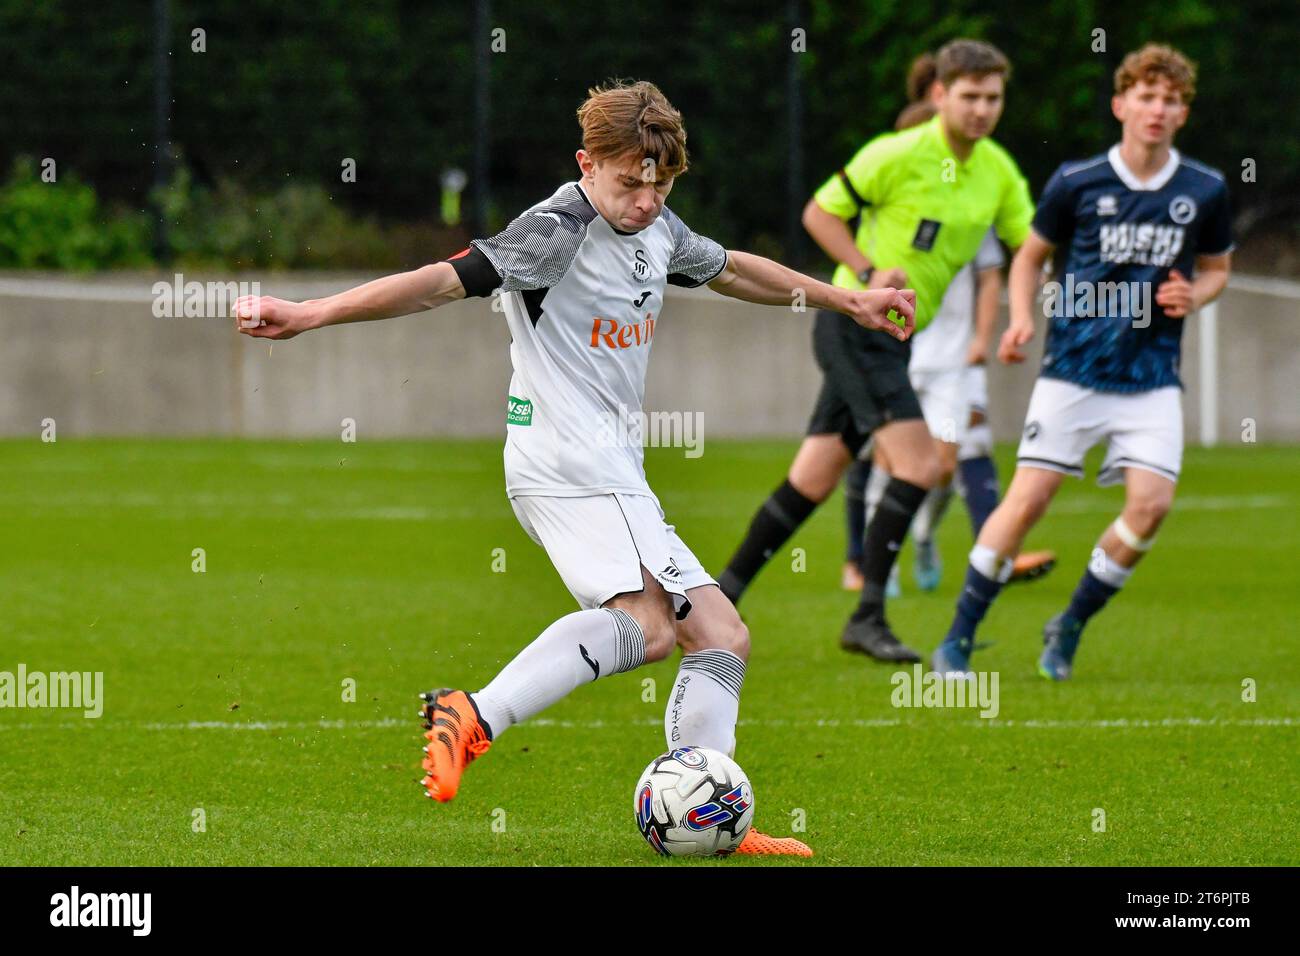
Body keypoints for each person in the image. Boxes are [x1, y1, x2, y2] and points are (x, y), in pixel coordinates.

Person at [232, 79, 915, 856]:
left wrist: (847, 300)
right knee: (650, 627)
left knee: (721, 634)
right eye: (630, 183)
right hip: (569, 459)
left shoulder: (657, 226)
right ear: (587, 164)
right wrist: (313, 312)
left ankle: (714, 813)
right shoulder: (556, 230)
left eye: (661, 184)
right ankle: (476, 714)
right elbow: (437, 284)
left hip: (607, 464)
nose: (648, 201)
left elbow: (733, 271)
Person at [717, 39, 1034, 664]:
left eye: (993, 98)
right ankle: (868, 615)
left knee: (814, 476)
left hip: (897, 340)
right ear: (940, 94)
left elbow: (1029, 245)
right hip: (857, 325)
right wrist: (865, 271)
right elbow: (818, 213)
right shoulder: (897, 153)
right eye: (970, 96)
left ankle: (719, 597)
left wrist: (1021, 316)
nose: (982, 110)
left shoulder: (998, 170)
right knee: (919, 467)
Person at [931, 43, 1233, 680]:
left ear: (1183, 113)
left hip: (1151, 380)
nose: (1158, 109)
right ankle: (957, 638)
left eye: (1171, 100)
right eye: (1146, 97)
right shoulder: (1076, 181)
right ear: (1122, 104)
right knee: (1027, 502)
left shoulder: (1204, 189)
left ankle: (1068, 624)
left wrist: (1196, 294)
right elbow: (1029, 257)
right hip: (1071, 372)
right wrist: (1020, 317)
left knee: (1150, 506)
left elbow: (1217, 269)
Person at [844, 64, 1056, 598]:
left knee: (942, 464)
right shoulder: (900, 190)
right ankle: (876, 569)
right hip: (892, 344)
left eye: (992, 98)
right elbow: (826, 215)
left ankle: (921, 535)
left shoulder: (978, 198)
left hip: (953, 353)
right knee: (887, 459)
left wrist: (992, 334)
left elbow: (1003, 270)